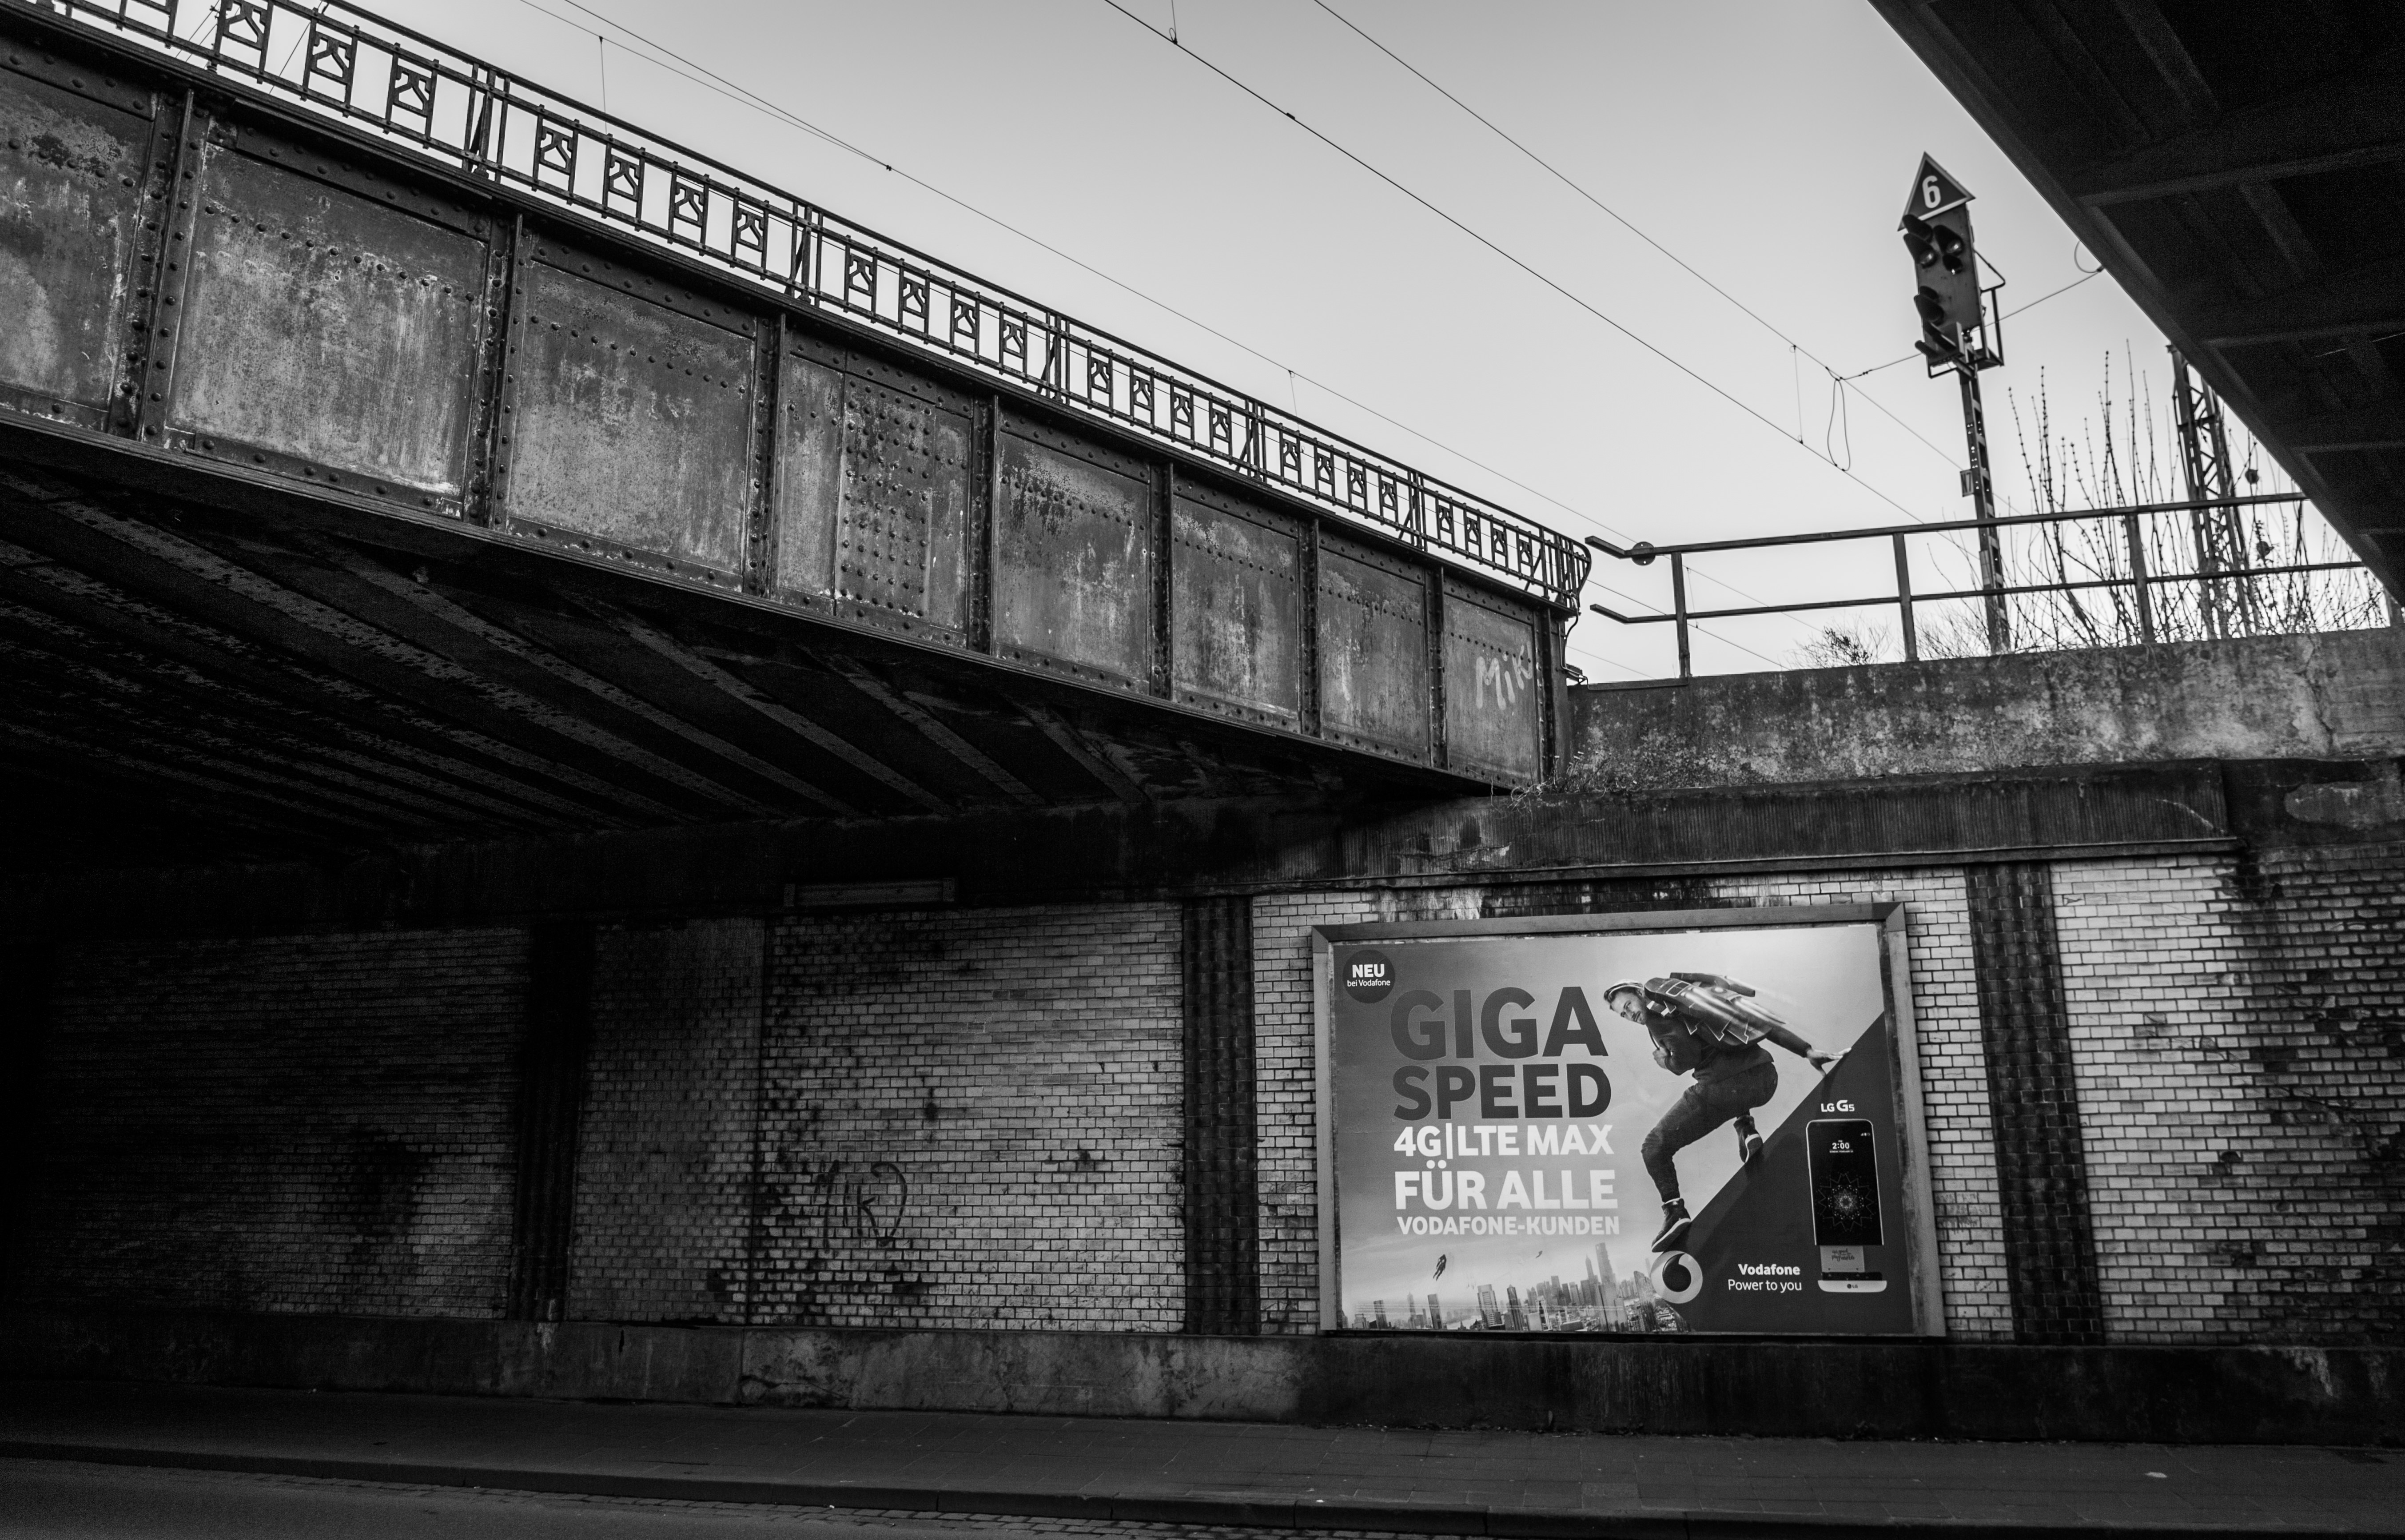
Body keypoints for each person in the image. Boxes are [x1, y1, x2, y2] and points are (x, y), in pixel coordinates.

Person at [1606, 973, 1840, 1253]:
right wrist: (1806, 1050)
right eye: (1623, 1014)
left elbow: (1687, 1059)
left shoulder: (1657, 1019)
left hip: (1722, 1090)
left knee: (1653, 1147)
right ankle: (1746, 1127)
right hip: (1765, 1078)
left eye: (1629, 1005)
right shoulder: (1691, 1001)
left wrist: (1666, 1062)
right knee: (1730, 1086)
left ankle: (1674, 1211)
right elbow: (1758, 1024)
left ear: (1639, 993)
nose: (1630, 1014)